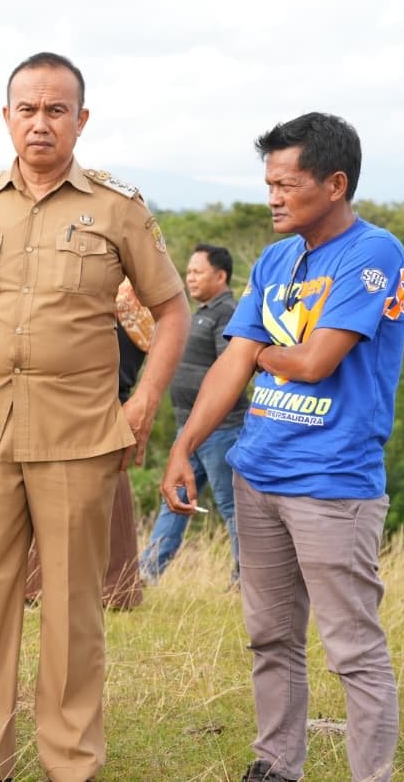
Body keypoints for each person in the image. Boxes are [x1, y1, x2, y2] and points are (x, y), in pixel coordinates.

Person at [0, 52, 188, 782]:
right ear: (6, 116)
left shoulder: (117, 206)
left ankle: (70, 764)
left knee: (74, 609)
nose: (39, 123)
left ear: (81, 118)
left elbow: (172, 310)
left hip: (79, 435)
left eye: (55, 110)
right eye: (27, 109)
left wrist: (143, 401)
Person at [161, 113, 404, 782]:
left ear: (335, 184)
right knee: (270, 637)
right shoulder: (276, 260)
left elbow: (315, 362)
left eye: (286, 184)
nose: (272, 197)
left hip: (332, 482)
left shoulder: (374, 253)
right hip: (257, 472)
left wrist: (257, 352)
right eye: (268, 183)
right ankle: (275, 765)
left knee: (352, 648)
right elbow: (230, 365)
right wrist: (184, 445)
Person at [25, 280, 154, 611]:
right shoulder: (129, 304)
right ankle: (107, 587)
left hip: (99, 405)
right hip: (99, 404)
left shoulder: (126, 303)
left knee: (92, 497)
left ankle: (110, 588)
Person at [142, 243, 245, 584]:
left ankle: (245, 579)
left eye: (198, 272)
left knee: (233, 506)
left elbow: (231, 369)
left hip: (221, 429)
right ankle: (145, 572)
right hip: (189, 430)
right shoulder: (199, 312)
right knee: (175, 500)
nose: (190, 278)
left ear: (221, 275)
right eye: (188, 272)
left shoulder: (226, 313)